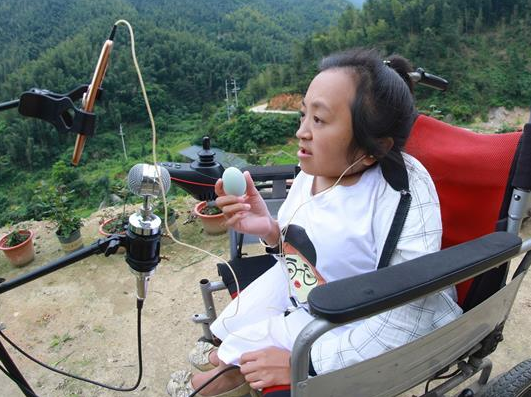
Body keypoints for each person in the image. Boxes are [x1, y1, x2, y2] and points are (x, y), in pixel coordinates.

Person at [166, 48, 463, 397]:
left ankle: (230, 373)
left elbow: (409, 314)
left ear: (373, 149)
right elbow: (308, 247)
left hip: (354, 316)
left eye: (319, 120)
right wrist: (269, 230)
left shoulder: (402, 193)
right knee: (235, 326)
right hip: (305, 287)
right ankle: (228, 359)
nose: (301, 132)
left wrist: (306, 361)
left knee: (245, 352)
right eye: (304, 114)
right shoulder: (316, 169)